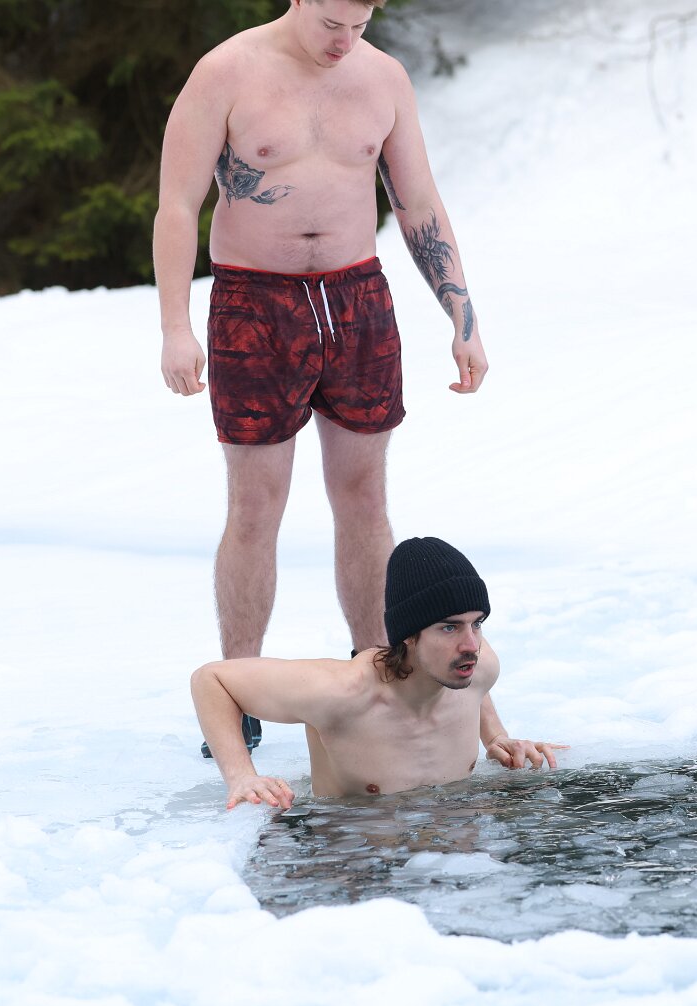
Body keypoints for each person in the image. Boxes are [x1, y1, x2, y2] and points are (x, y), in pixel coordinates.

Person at [153, 0, 485, 752]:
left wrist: (463, 317)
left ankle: (381, 673)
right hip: (253, 301)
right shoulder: (226, 72)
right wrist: (175, 326)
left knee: (364, 496)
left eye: (360, 26)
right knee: (256, 503)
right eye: (333, 24)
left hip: (356, 297)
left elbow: (418, 204)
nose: (345, 41)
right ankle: (239, 689)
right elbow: (178, 205)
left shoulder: (383, 79)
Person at [193, 537, 566, 808]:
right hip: (349, 857)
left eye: (477, 623)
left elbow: (474, 679)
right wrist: (242, 776)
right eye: (449, 627)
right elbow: (212, 680)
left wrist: (498, 737)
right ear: (409, 635)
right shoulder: (343, 692)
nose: (471, 644)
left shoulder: (480, 665)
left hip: (454, 851)